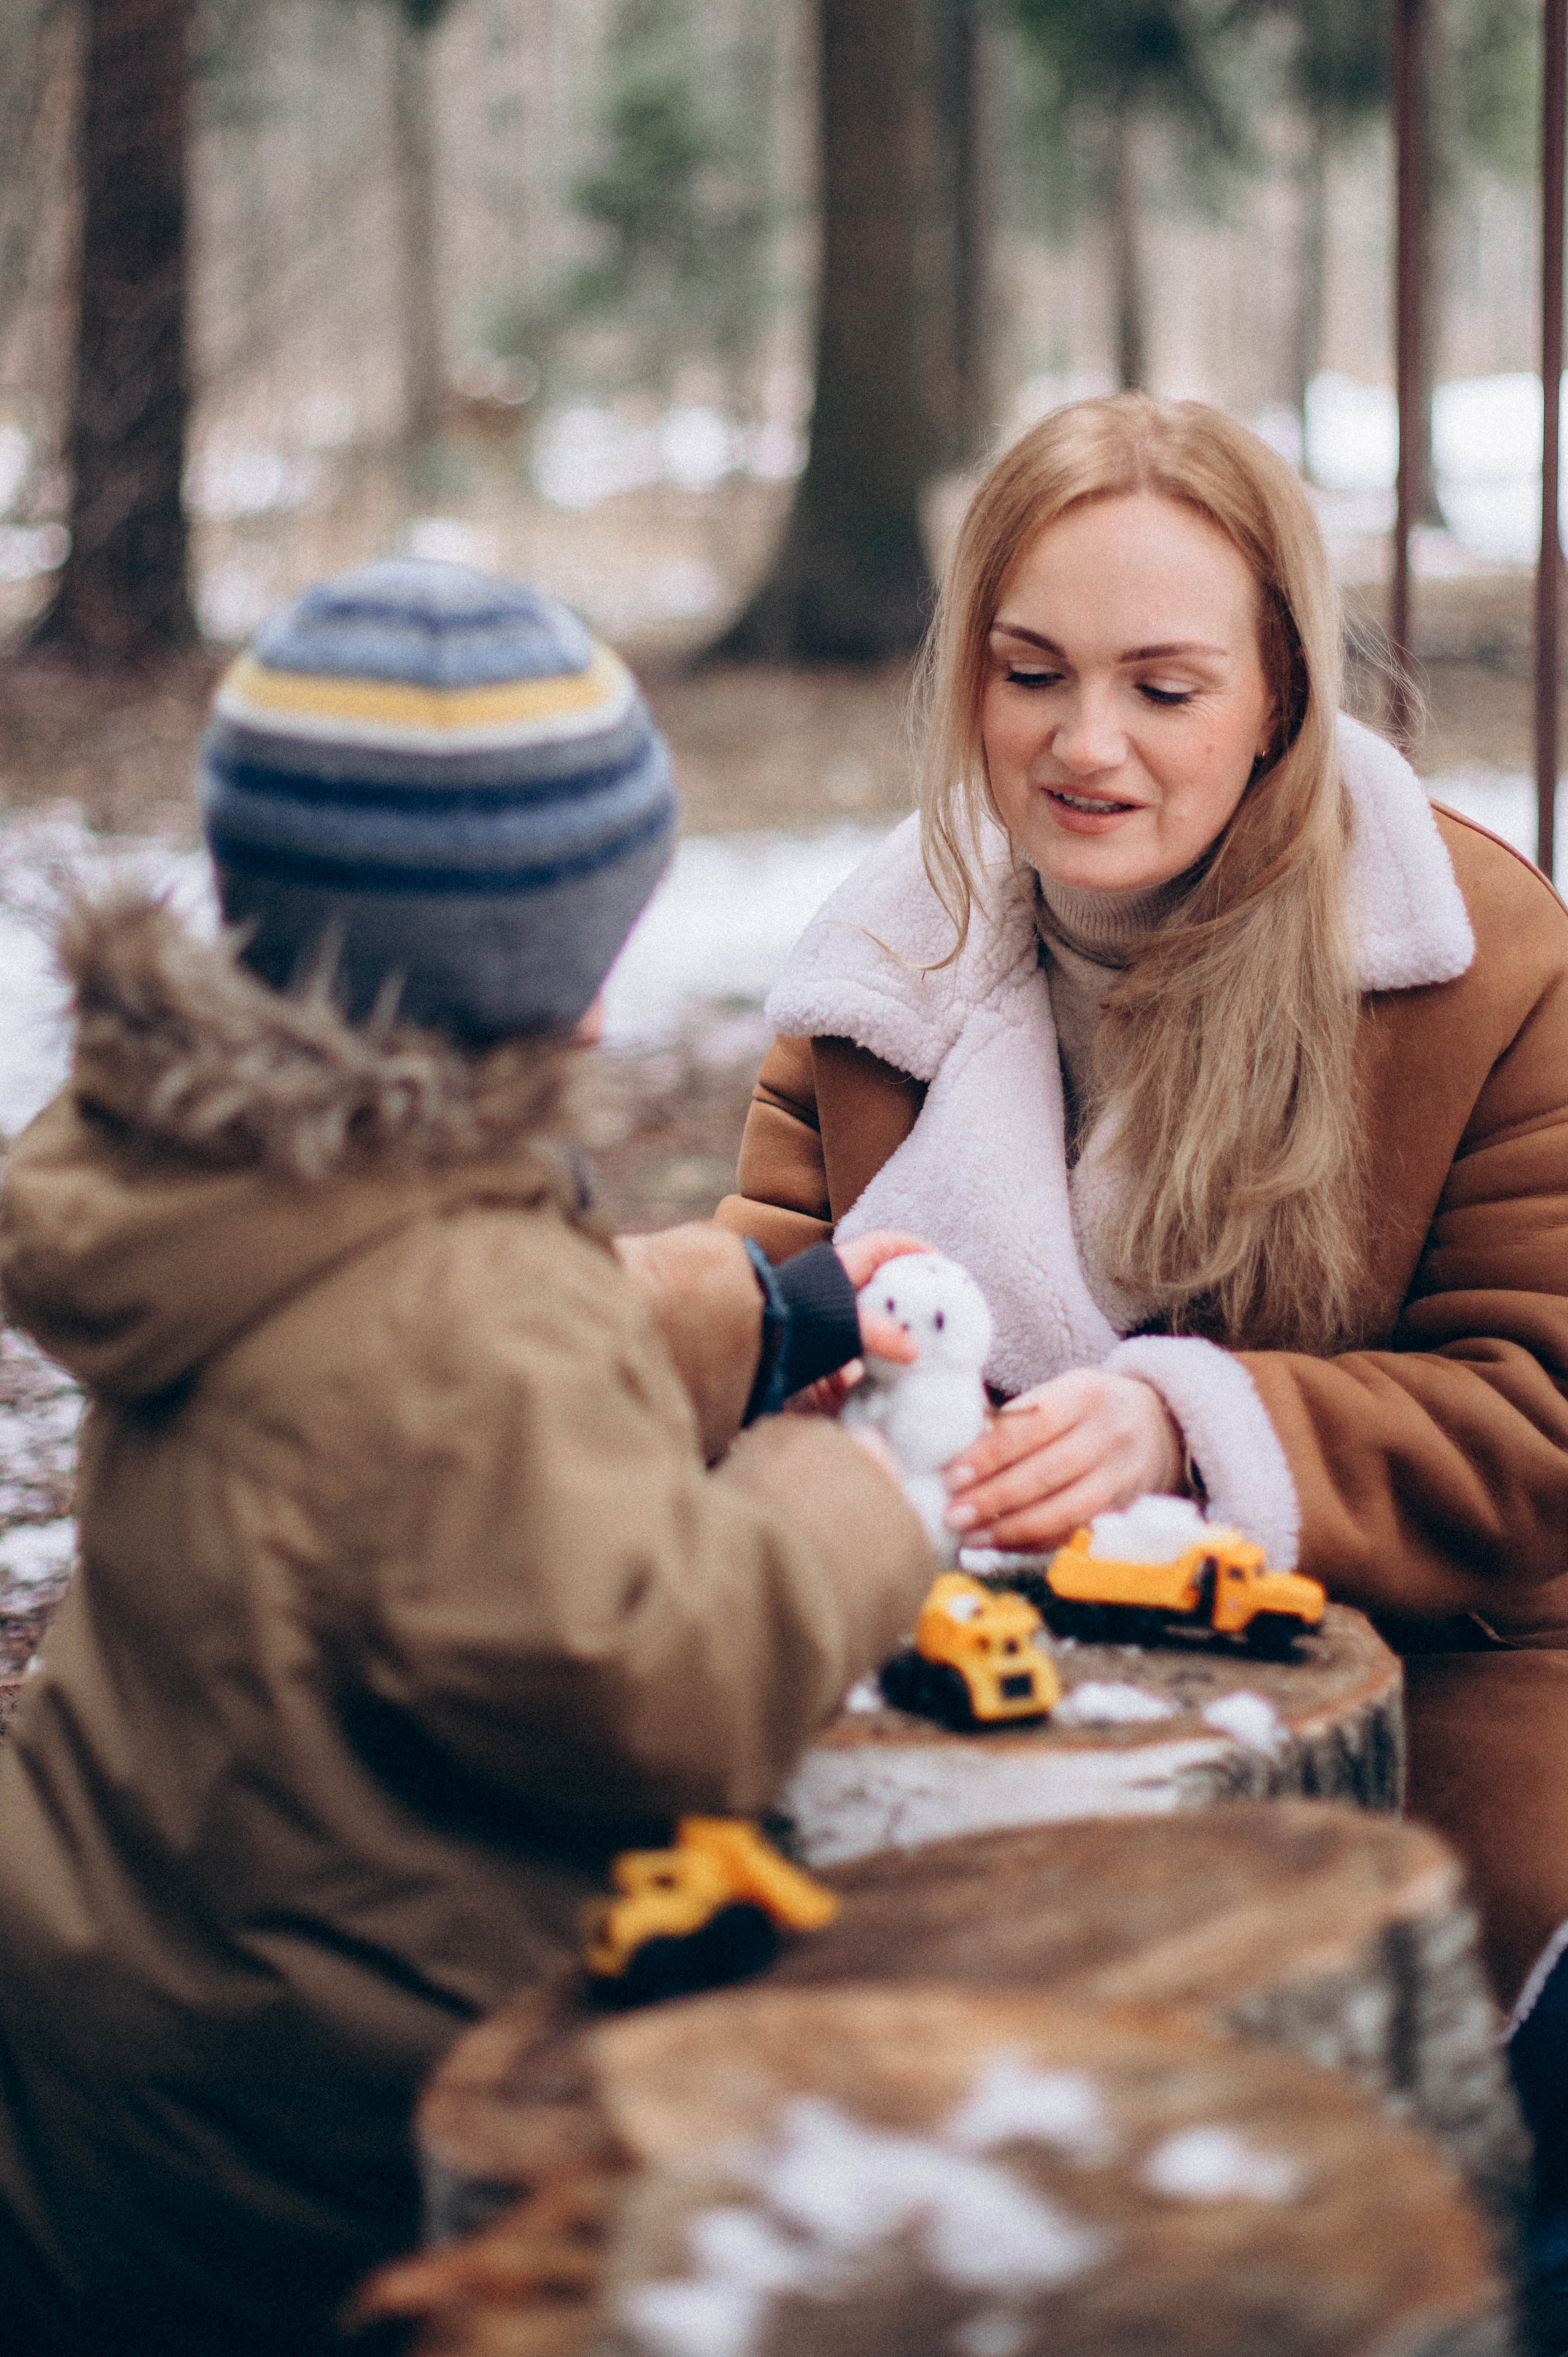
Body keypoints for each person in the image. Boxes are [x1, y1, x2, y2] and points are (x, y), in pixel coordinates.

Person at [0, 560, 935, 2357]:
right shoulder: (458, 1310)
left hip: (118, 2023)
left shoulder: (230, 1180)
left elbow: (412, 1397)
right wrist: (860, 1496)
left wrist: (768, 1309)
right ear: (553, 975)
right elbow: (657, 1674)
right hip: (326, 2146)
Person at [716, 395, 1568, 2334]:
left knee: (1442, 2188)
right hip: (967, 1726)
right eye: (1032, 676)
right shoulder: (882, 973)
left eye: (1162, 688)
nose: (1084, 746)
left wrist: (1187, 1427)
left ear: (1276, 690)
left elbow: (1543, 1415)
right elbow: (761, 1321)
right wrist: (832, 1407)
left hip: (1439, 1702)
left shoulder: (1475, 957)